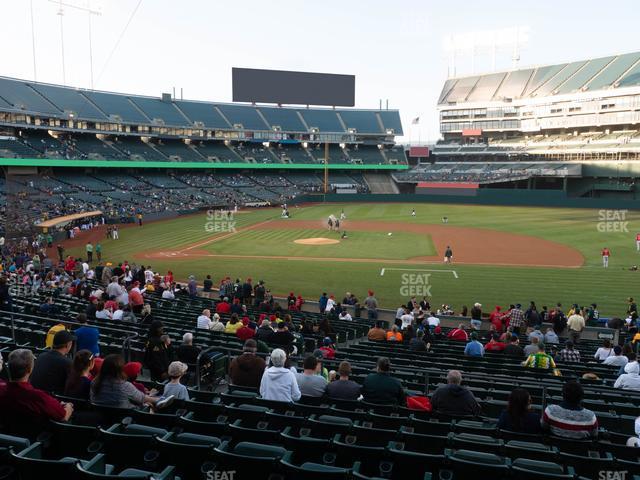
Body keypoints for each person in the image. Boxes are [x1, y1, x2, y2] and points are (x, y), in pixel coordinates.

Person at [0, 349, 73, 437]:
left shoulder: (2, 389)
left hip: (9, 437)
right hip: (34, 441)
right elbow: (63, 416)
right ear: (30, 370)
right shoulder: (37, 397)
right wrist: (69, 406)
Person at [91, 354, 169, 409]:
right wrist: (159, 399)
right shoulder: (124, 385)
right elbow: (142, 398)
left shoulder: (94, 382)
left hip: (101, 419)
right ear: (120, 369)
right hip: (125, 419)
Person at [30, 330, 74, 394]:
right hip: (50, 399)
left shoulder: (41, 356)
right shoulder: (67, 363)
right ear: (68, 345)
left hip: (34, 395)